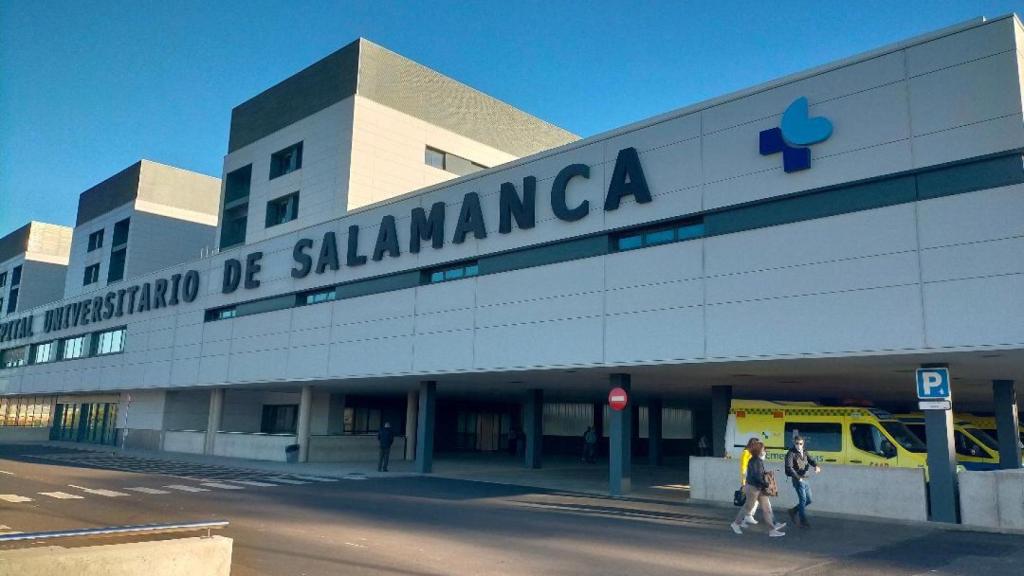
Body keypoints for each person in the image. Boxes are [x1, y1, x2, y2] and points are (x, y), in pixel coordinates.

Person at [731, 440, 786, 537]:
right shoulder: (756, 461)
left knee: (766, 508)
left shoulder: (757, 461)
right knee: (748, 506)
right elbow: (756, 476)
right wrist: (766, 484)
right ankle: (736, 524)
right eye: (763, 449)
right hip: (754, 488)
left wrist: (766, 475)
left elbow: (758, 474)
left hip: (759, 487)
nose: (765, 451)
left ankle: (772, 530)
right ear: (759, 451)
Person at [784, 435, 821, 528]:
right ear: (794, 443)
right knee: (803, 500)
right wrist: (797, 478)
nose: (798, 445)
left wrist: (816, 466)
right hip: (798, 480)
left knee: (809, 500)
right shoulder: (790, 453)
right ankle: (803, 520)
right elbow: (789, 467)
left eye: (800, 444)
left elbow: (811, 460)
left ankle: (793, 511)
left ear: (803, 444)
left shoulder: (804, 452)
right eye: (797, 443)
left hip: (806, 478)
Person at [738, 437, 761, 527]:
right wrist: (743, 482)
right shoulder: (746, 453)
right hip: (749, 480)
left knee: (753, 500)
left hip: (753, 480)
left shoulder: (752, 453)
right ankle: (747, 516)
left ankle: (746, 517)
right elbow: (743, 468)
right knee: (752, 500)